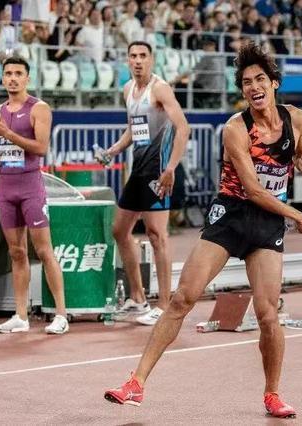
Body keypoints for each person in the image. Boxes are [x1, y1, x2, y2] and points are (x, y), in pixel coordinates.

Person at [104, 42, 302, 418]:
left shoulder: (297, 119)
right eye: (247, 82)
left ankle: (272, 394)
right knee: (183, 298)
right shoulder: (235, 129)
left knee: (268, 314)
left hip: (266, 225)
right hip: (231, 216)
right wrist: (295, 214)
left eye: (260, 79)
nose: (254, 87)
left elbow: (299, 151)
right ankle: (135, 383)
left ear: (274, 83)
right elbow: (253, 190)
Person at [101, 41, 190, 326]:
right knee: (119, 230)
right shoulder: (128, 89)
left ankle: (164, 305)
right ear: (127, 60)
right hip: (138, 170)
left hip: (159, 171)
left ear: (151, 59)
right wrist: (113, 150)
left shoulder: (160, 89)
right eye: (133, 56)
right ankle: (138, 297)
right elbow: (134, 128)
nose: (138, 60)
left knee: (157, 235)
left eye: (143, 56)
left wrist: (171, 167)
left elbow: (183, 127)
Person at [0, 56, 68, 334]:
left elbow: (41, 148)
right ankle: (20, 315)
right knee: (16, 252)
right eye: (8, 73)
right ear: (2, 78)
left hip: (30, 187)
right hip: (6, 188)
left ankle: (61, 314)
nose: (13, 78)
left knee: (43, 250)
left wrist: (7, 133)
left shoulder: (39, 108)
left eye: (18, 73)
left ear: (27, 78)